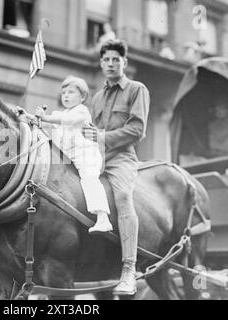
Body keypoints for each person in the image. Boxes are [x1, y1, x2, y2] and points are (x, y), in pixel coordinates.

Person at [83, 39, 150, 295]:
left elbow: (137, 130)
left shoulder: (136, 89)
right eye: (106, 60)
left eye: (116, 60)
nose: (111, 64)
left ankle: (129, 269)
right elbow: (90, 130)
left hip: (122, 158)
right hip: (95, 158)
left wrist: (101, 138)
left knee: (122, 196)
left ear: (125, 63)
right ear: (101, 63)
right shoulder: (97, 97)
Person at [35, 76, 113, 233]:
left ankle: (103, 218)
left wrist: (46, 117)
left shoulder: (81, 112)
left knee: (89, 179)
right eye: (63, 92)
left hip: (86, 156)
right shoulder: (62, 114)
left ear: (82, 97)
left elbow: (66, 120)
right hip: (70, 158)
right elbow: (49, 124)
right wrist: (32, 118)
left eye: (71, 92)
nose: (66, 95)